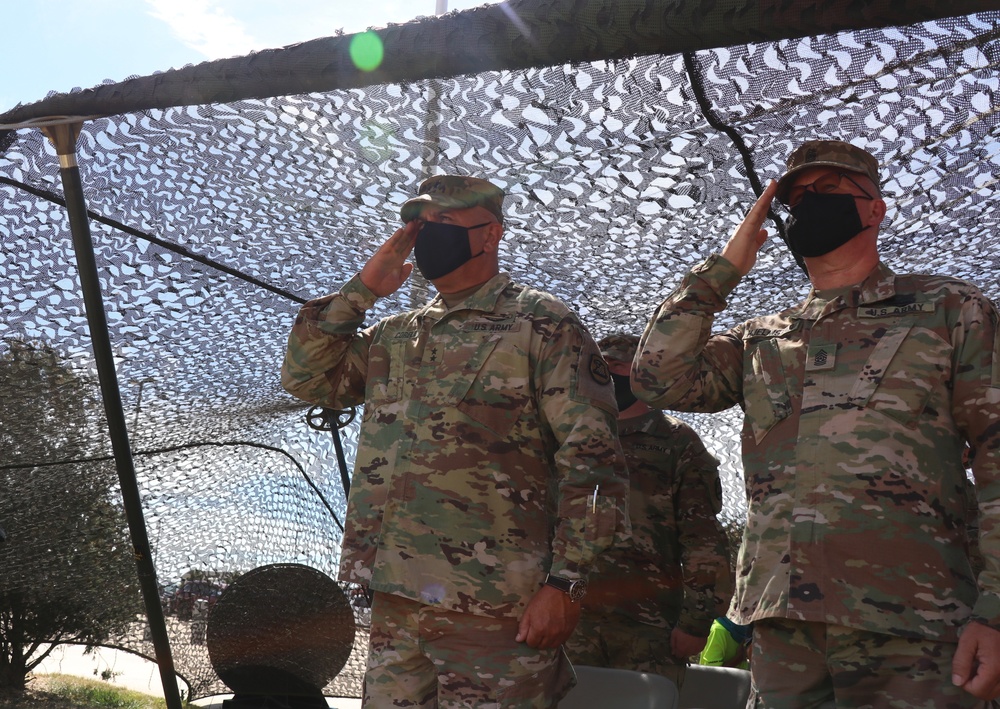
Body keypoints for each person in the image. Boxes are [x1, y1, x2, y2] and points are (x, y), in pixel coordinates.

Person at [631, 139, 1000, 706]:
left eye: (827, 191)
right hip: (783, 626)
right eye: (796, 197)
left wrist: (996, 613)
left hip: (914, 621)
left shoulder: (948, 309)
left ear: (873, 207)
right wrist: (724, 269)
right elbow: (657, 377)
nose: (807, 205)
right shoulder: (763, 337)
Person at [281, 174, 630, 707]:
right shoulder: (396, 335)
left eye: (446, 222)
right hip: (397, 600)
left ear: (490, 234)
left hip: (497, 610)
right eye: (421, 223)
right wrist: (361, 292)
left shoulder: (541, 324)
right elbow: (307, 379)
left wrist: (567, 585)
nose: (428, 235)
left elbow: (595, 462)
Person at [565, 333, 733, 688]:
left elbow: (702, 538)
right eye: (601, 367)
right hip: (571, 617)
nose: (608, 376)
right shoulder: (573, 436)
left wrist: (696, 620)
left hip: (649, 624)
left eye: (619, 366)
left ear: (642, 375)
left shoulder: (676, 441)